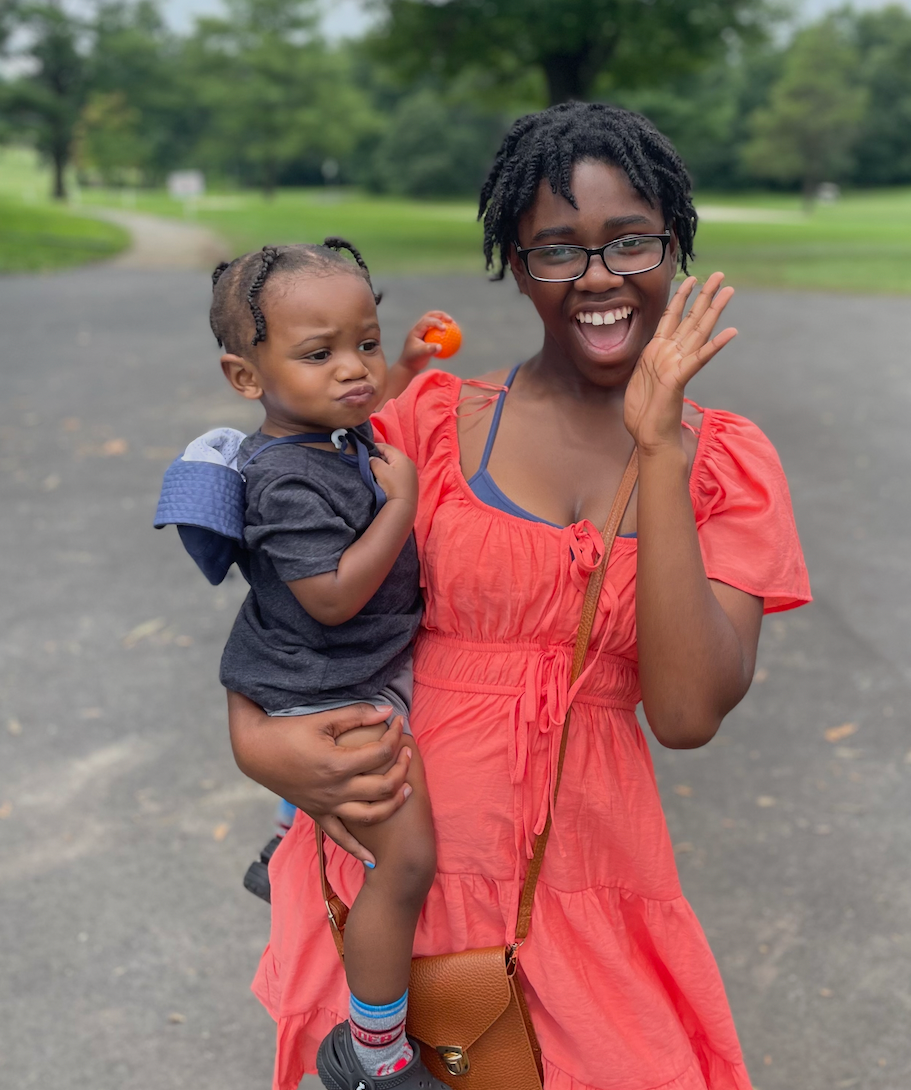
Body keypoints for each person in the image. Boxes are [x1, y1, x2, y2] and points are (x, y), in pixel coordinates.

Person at [226, 106, 812, 1090]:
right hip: (396, 873)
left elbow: (684, 710)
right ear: (511, 258)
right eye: (555, 250)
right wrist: (256, 741)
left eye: (630, 239)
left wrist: (658, 445)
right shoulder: (425, 419)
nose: (597, 276)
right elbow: (291, 608)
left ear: (675, 240)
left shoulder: (727, 463)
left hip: (588, 875)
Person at [208, 238, 452, 1088]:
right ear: (249, 378)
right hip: (326, 684)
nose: (356, 372)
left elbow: (363, 394)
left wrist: (410, 369)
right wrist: (403, 506)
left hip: (329, 667)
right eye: (320, 354)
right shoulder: (285, 480)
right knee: (407, 859)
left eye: (369, 342)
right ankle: (373, 1053)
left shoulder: (327, 428)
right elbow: (334, 597)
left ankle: (278, 846)